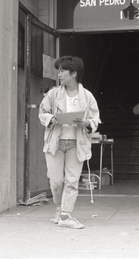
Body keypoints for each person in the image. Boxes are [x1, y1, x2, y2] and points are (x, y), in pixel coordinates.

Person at [39, 56, 100, 229]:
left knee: (72, 181)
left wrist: (87, 123)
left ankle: (65, 215)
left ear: (73, 74)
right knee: (56, 181)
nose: (59, 74)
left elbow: (94, 118)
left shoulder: (87, 96)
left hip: (76, 143)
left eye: (62, 71)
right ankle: (60, 208)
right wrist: (52, 119)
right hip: (55, 143)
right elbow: (42, 113)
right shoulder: (53, 94)